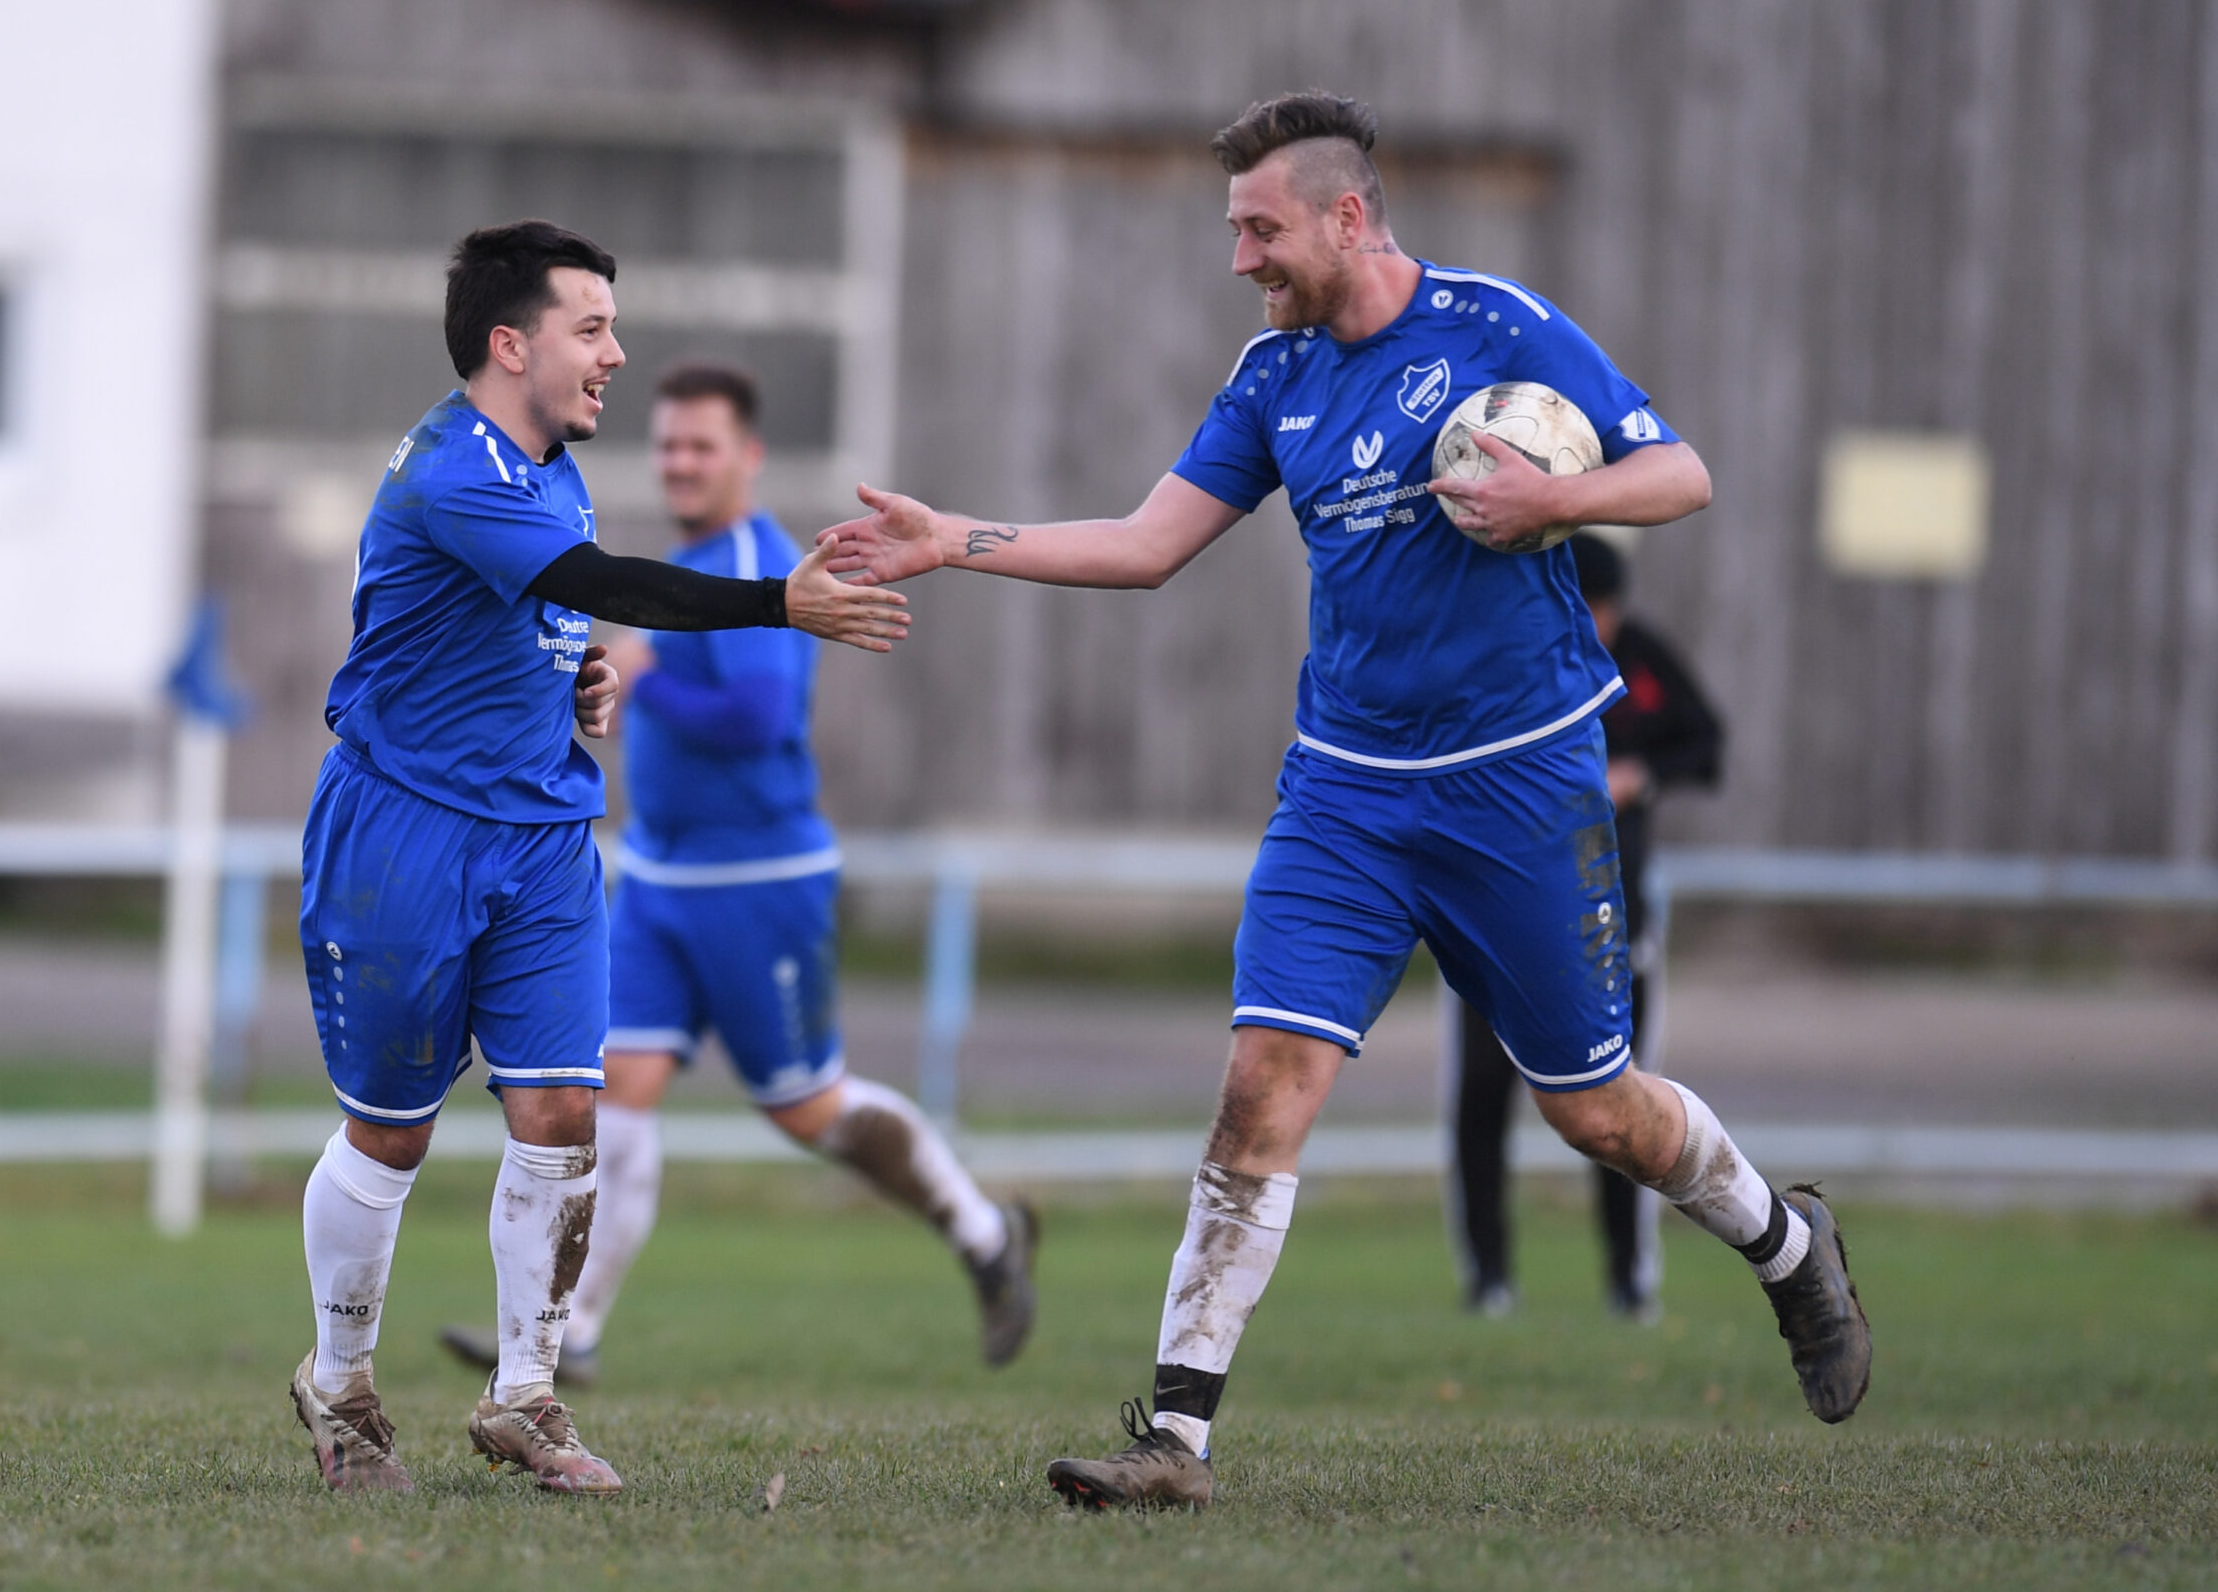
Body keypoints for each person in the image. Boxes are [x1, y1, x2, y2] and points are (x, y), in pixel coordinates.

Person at [827, 92, 1870, 1512]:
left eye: (1261, 229)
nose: (1243, 258)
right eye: (1236, 231)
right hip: (1346, 798)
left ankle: (1785, 1245)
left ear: (1347, 216)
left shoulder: (1497, 327)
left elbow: (1682, 472)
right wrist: (958, 540)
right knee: (1262, 1080)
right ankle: (1176, 1440)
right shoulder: (1273, 381)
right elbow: (1145, 547)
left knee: (1597, 1115)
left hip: (1521, 782)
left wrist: (1552, 507)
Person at [287, 221, 908, 1497]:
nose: (615, 354)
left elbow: (545, 608)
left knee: (564, 1109)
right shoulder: (452, 469)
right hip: (405, 831)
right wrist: (778, 600)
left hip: (548, 839)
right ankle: (339, 1383)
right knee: (389, 1135)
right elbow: (603, 578)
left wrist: (567, 682)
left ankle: (526, 1393)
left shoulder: (548, 460)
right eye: (591, 327)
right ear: (510, 344)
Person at [438, 360, 1037, 1387]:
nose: (679, 462)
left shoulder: (760, 562)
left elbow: (757, 718)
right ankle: (569, 1330)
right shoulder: (695, 571)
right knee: (605, 1089)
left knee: (808, 1107)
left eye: (700, 445)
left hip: (761, 884)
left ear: (747, 457)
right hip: (661, 880)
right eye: (667, 443)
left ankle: (984, 1232)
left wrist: (651, 670)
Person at [1447, 530, 1724, 1323]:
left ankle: (1630, 1277)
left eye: (1606, 610)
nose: (1595, 623)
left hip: (1614, 912)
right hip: (1497, 913)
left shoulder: (1638, 660)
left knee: (1620, 1097)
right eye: (1585, 607)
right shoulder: (1513, 660)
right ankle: (1489, 1275)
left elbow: (1707, 742)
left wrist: (1642, 774)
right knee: (1480, 1093)